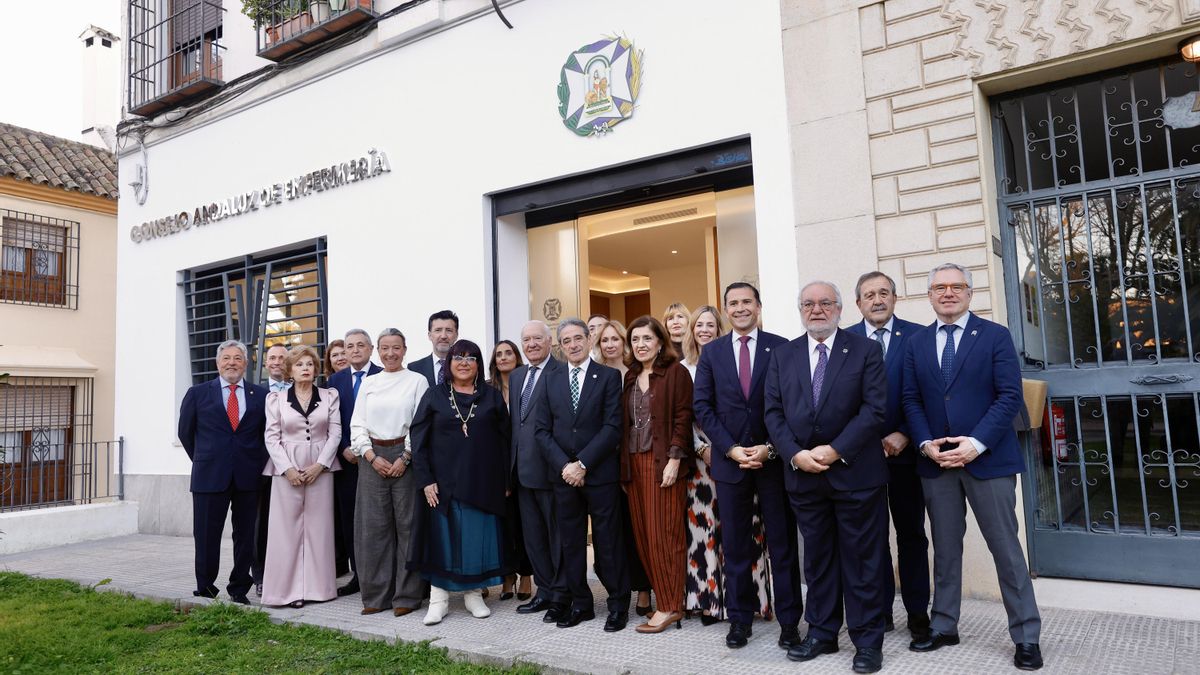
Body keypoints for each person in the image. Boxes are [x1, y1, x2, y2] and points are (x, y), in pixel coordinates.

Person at [902, 263, 1042, 671]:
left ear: (970, 292)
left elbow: (1008, 397)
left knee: (1006, 551)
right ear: (929, 295)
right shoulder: (917, 342)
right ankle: (944, 625)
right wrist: (927, 443)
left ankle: (1026, 636)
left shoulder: (995, 336)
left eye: (956, 286)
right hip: (937, 462)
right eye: (939, 287)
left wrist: (975, 444)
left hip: (989, 460)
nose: (948, 293)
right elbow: (910, 399)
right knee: (945, 550)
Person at [765, 281, 889, 674]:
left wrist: (835, 450)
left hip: (855, 474)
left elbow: (875, 409)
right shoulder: (783, 355)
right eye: (808, 304)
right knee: (816, 560)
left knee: (862, 562)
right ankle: (821, 633)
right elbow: (773, 413)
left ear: (839, 309)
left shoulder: (866, 350)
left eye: (825, 303)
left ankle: (867, 642)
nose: (816, 310)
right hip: (803, 476)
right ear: (800, 309)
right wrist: (795, 454)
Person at [693, 282, 804, 650]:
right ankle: (739, 620)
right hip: (730, 465)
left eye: (746, 302)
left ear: (759, 305)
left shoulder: (783, 347)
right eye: (733, 303)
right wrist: (730, 449)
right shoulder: (712, 353)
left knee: (783, 546)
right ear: (726, 309)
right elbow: (703, 408)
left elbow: (793, 405)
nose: (740, 308)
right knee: (736, 548)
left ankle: (790, 623)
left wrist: (770, 448)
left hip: (774, 465)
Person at [846, 271, 930, 641]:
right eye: (869, 295)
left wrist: (907, 434)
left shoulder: (920, 337)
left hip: (906, 457)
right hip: (861, 458)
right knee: (870, 538)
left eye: (884, 293)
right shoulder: (844, 341)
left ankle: (917, 614)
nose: (877, 300)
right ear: (858, 303)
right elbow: (837, 401)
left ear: (895, 299)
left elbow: (930, 393)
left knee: (911, 535)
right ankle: (878, 613)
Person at [534, 318, 631, 632]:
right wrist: (566, 466)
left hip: (599, 474)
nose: (573, 345)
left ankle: (618, 605)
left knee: (608, 542)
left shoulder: (608, 377)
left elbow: (612, 427)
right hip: (563, 476)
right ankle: (581, 604)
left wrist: (583, 464)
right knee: (571, 544)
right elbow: (541, 430)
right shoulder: (550, 380)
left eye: (579, 338)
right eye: (567, 340)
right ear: (560, 345)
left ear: (590, 340)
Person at [680, 305, 773, 625]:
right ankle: (710, 600)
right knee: (709, 538)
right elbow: (687, 415)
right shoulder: (685, 367)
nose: (704, 329)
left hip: (746, 457)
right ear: (691, 330)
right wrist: (703, 448)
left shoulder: (732, 356)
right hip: (703, 463)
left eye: (710, 324)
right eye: (698, 324)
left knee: (746, 534)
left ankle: (753, 602)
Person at [411, 339, 511, 625]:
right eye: (458, 357)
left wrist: (505, 479)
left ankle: (473, 596)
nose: (464, 362)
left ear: (479, 364)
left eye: (471, 357)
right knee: (442, 541)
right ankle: (438, 600)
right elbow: (418, 442)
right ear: (449, 363)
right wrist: (426, 480)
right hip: (442, 484)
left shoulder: (491, 397)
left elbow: (505, 441)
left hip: (483, 482)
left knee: (474, 541)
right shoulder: (434, 396)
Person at [177, 340, 268, 605]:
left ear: (246, 363)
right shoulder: (197, 393)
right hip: (209, 475)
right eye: (226, 358)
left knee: (246, 535)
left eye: (237, 358)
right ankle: (205, 586)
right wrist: (205, 459)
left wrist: (256, 462)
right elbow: (185, 433)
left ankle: (239, 587)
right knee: (206, 533)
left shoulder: (259, 395)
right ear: (218, 363)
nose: (231, 363)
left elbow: (266, 435)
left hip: (248, 476)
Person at [620, 316, 693, 634]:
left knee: (666, 536)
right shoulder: (631, 376)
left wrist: (675, 460)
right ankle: (665, 599)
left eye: (646, 338)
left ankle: (669, 606)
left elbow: (683, 417)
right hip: (634, 466)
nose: (640, 345)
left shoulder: (676, 373)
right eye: (635, 339)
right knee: (644, 537)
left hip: (663, 462)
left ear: (660, 341)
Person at [349, 329, 430, 617]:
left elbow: (421, 423)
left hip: (406, 456)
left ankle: (407, 595)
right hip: (372, 457)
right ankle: (375, 595)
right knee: (373, 528)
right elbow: (357, 424)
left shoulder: (417, 381)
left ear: (405, 350)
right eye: (385, 348)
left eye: (396, 348)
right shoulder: (369, 384)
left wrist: (406, 456)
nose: (390, 353)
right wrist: (370, 455)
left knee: (408, 527)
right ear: (377, 351)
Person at [261, 345, 342, 608]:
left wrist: (320, 465)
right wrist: (288, 469)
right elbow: (271, 437)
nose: (305, 368)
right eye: (299, 365)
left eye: (309, 364)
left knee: (319, 530)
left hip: (321, 467)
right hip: (287, 468)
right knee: (285, 531)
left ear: (316, 369)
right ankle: (286, 592)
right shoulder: (276, 400)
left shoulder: (330, 396)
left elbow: (335, 434)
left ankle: (319, 589)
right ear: (290, 370)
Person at [510, 321, 569, 619]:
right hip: (522, 473)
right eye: (526, 339)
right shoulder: (518, 375)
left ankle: (561, 594)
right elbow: (516, 426)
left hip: (551, 471)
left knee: (556, 537)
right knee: (533, 538)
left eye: (537, 339)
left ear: (550, 342)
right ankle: (543, 591)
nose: (531, 344)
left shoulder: (561, 372)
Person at [326, 328, 383, 597]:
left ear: (371, 349)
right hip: (347, 461)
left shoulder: (383, 375)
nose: (355, 350)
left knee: (379, 519)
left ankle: (381, 574)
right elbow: (328, 421)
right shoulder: (334, 381)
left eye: (361, 345)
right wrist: (342, 448)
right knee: (350, 520)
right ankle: (358, 575)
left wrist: (369, 449)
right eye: (350, 346)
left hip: (378, 459)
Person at [487, 339, 532, 601]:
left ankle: (526, 575)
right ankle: (507, 576)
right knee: (503, 525)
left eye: (508, 353)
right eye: (499, 354)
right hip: (496, 466)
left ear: (517, 356)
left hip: (524, 463)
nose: (504, 357)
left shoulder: (527, 382)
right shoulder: (486, 389)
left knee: (525, 524)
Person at [255, 343, 292, 595]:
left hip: (295, 468)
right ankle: (260, 576)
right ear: (266, 363)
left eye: (282, 358)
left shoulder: (304, 390)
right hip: (264, 470)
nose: (277, 361)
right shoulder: (256, 393)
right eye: (273, 358)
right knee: (262, 524)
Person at [410, 310, 459, 387]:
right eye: (438, 330)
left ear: (456, 335)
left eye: (449, 330)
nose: (443, 336)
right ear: (429, 335)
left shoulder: (464, 367)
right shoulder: (414, 369)